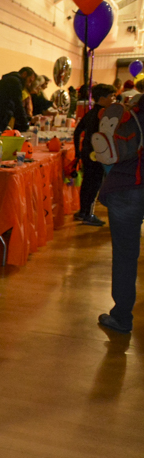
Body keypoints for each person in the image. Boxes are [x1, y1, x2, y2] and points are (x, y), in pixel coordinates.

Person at [97, 95, 144, 334]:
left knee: (125, 255)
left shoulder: (132, 111)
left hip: (127, 186)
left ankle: (122, 317)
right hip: (129, 186)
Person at [72, 83, 116, 226]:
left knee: (87, 183)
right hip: (97, 154)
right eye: (112, 96)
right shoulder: (104, 115)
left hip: (87, 152)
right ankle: (88, 214)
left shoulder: (90, 113)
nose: (114, 99)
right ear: (102, 99)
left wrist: (78, 151)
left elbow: (77, 131)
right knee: (94, 185)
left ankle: (83, 211)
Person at [0, 67, 36, 134]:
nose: (29, 84)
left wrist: (28, 119)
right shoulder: (14, 82)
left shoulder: (9, 80)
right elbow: (18, 106)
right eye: (30, 80)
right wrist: (25, 125)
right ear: (24, 74)